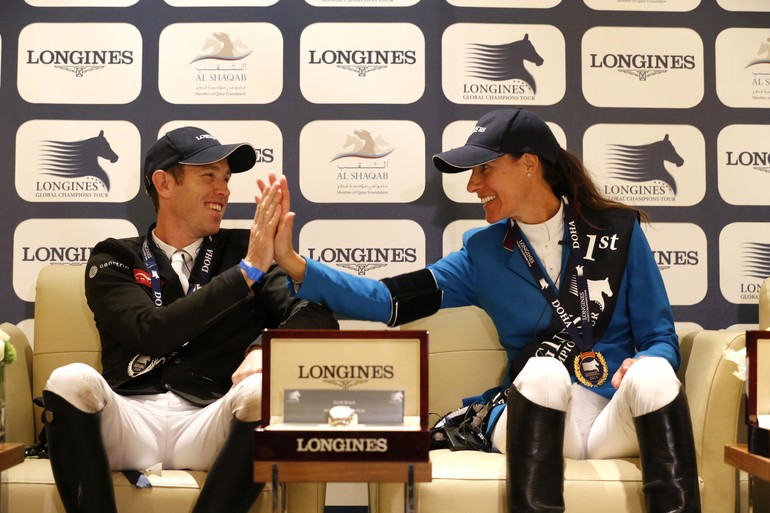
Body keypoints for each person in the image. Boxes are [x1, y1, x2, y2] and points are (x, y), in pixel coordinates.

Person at [264, 108, 700, 513]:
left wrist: (647, 361)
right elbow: (388, 299)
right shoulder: (482, 252)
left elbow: (660, 338)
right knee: (546, 371)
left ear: (529, 164)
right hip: (537, 412)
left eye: (485, 168)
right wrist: (295, 264)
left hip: (610, 417)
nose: (473, 185)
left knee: (656, 374)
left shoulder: (617, 231)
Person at [42, 126, 338, 513]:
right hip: (129, 417)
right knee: (68, 380)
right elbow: (150, 331)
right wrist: (244, 275)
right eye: (209, 176)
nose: (225, 190)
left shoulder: (241, 251)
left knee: (264, 390)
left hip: (210, 419)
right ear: (164, 183)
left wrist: (264, 350)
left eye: (227, 178)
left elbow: (316, 315)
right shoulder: (115, 256)